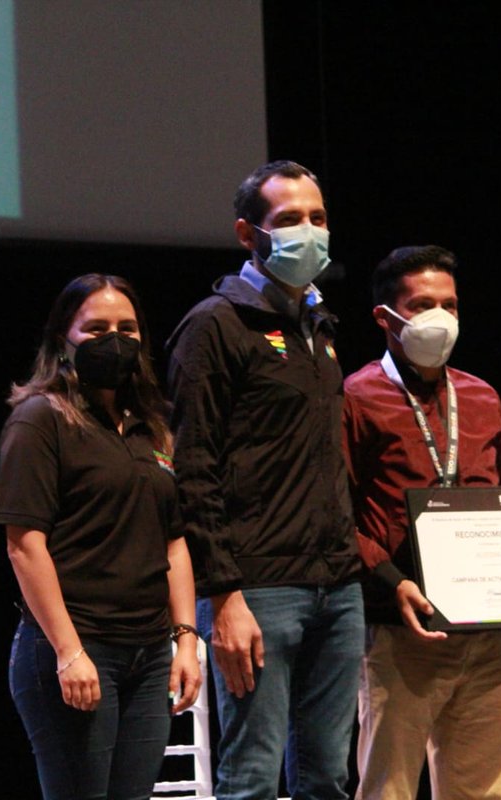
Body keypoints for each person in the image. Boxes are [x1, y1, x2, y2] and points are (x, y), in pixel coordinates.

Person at [166, 160, 363, 800]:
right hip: (257, 587)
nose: (309, 231)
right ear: (248, 234)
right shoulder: (214, 326)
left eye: (318, 218)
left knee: (329, 777)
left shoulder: (321, 325)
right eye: (289, 220)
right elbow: (193, 473)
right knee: (250, 776)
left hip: (336, 585)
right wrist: (223, 597)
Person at [0, 274, 200, 800]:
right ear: (63, 338)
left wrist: (186, 639)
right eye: (97, 328)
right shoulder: (40, 419)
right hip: (79, 647)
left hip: (149, 655)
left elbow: (173, 542)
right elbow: (24, 544)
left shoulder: (152, 424)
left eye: (127, 328)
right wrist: (69, 652)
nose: (115, 339)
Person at [344, 245, 501, 799]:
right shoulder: (356, 396)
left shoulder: (482, 396)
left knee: (486, 790)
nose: (439, 318)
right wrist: (390, 582)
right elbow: (336, 514)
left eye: (450, 305)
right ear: (385, 317)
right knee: (387, 790)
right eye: (422, 305)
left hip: (487, 632)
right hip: (401, 630)